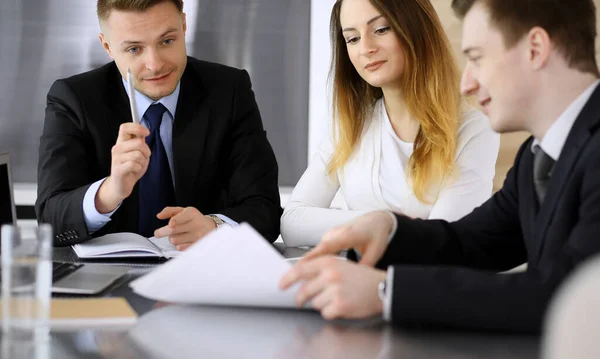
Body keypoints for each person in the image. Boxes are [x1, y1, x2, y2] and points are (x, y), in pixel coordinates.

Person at [280, 0, 600, 333]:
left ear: (535, 49)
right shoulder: (537, 156)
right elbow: (473, 241)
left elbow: (568, 296)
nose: (467, 84)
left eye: (476, 58)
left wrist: (385, 292)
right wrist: (389, 228)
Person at [36, 0, 282, 249]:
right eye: (134, 49)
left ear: (184, 26)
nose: (155, 64)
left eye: (167, 41)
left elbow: (265, 208)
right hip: (107, 277)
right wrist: (109, 192)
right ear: (107, 47)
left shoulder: (229, 89)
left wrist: (215, 227)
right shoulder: (73, 98)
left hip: (203, 272)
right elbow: (50, 221)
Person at [280, 0, 499, 247]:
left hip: (414, 285)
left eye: (381, 29)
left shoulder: (474, 130)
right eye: (352, 39)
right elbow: (293, 223)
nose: (366, 48)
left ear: (417, 29)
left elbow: (442, 246)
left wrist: (353, 227)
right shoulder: (351, 125)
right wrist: (382, 221)